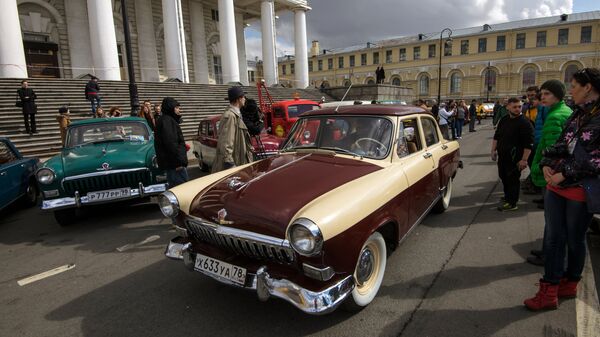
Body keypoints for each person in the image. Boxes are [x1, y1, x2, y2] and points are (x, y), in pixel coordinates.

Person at [523, 68, 600, 311]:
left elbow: (595, 159)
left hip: (579, 189)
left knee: (574, 241)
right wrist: (546, 162)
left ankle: (566, 284)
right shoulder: (577, 113)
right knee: (555, 239)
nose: (571, 90)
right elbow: (561, 143)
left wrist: (563, 173)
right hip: (557, 186)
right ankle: (552, 288)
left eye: (575, 85)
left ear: (588, 87)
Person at [525, 80, 573, 266]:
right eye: (542, 94)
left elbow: (553, 149)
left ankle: (549, 256)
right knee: (554, 220)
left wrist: (541, 167)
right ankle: (546, 249)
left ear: (557, 95)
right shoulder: (564, 111)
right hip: (557, 174)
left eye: (546, 94)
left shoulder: (554, 116)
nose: (542, 97)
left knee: (553, 220)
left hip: (551, 174)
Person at [491, 97, 534, 211]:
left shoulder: (525, 122)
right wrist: (493, 150)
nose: (517, 109)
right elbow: (497, 136)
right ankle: (507, 197)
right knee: (503, 176)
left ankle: (512, 203)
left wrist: (524, 160)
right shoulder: (504, 120)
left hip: (516, 158)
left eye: (519, 106)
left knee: (513, 180)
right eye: (514, 107)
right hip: (503, 156)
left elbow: (529, 143)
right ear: (508, 107)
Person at [212, 87, 253, 173]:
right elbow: (226, 141)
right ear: (239, 99)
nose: (245, 99)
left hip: (239, 161)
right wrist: (230, 164)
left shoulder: (236, 114)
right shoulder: (230, 116)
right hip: (233, 165)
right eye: (243, 97)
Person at [154, 97, 188, 187]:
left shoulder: (166, 120)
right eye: (176, 108)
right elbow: (171, 143)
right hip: (175, 165)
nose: (179, 110)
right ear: (171, 108)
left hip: (172, 164)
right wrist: (179, 162)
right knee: (181, 189)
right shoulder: (167, 121)